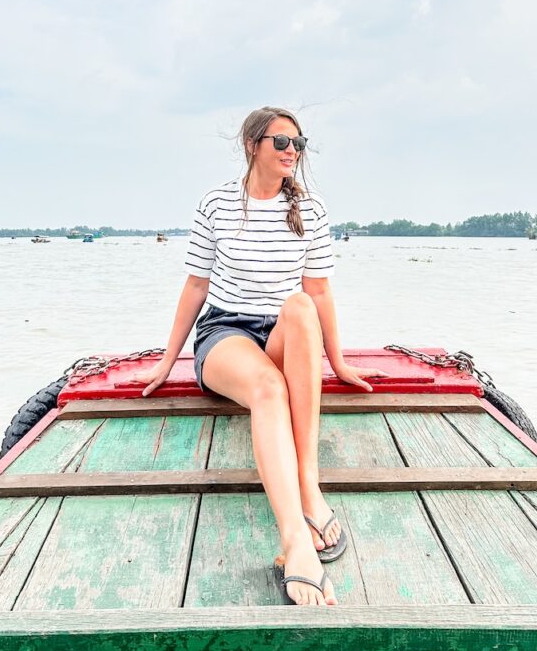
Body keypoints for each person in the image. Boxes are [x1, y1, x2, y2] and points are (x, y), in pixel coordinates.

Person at [138, 106, 385, 606]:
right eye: (282, 142)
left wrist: (337, 362)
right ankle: (295, 540)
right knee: (269, 389)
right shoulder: (217, 204)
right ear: (253, 145)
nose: (292, 151)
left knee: (297, 303)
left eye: (299, 143)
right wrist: (168, 360)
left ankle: (309, 484)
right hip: (225, 330)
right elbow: (195, 285)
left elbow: (318, 293)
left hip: (280, 331)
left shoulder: (310, 210)